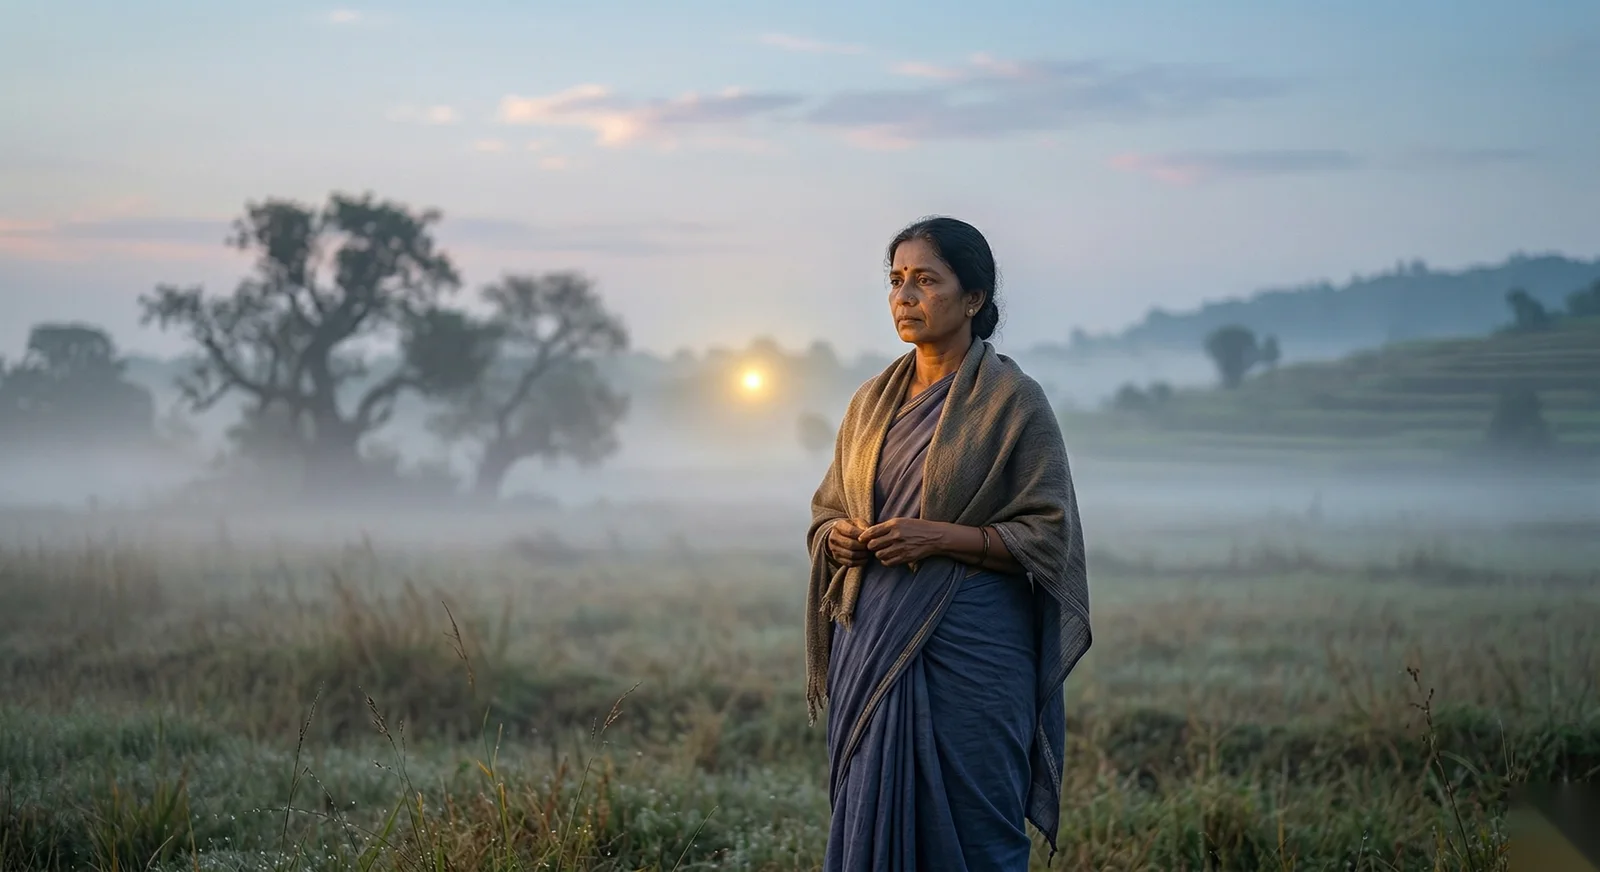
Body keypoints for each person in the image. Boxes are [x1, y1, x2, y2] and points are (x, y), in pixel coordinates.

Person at [805, 216, 1092, 870]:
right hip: (870, 637)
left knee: (978, 829)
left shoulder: (1014, 402)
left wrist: (940, 538)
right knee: (867, 810)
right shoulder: (869, 403)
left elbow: (1049, 534)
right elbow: (826, 511)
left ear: (973, 299)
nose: (905, 296)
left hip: (973, 648)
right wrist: (840, 538)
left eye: (926, 280)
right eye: (896, 280)